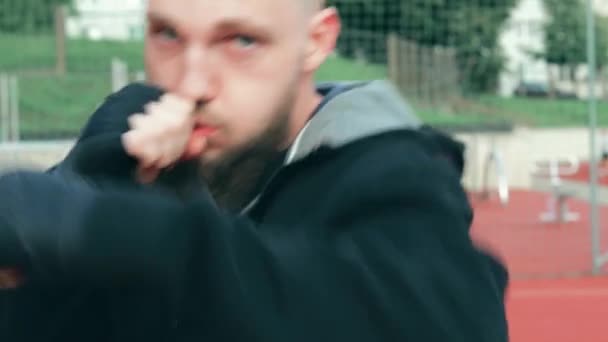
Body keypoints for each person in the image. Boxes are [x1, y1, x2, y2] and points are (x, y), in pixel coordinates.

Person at [0, 0, 509, 341]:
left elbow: (455, 316)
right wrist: (103, 184)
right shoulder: (129, 141)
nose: (192, 83)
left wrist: (101, 228)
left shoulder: (389, 172)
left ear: (315, 42)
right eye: (168, 35)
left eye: (241, 41)